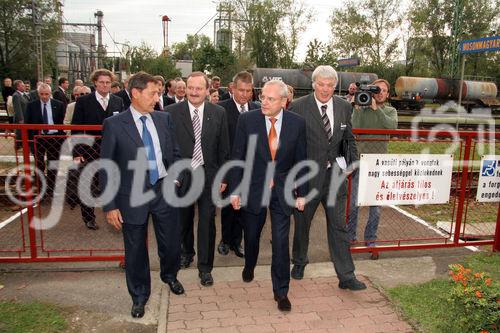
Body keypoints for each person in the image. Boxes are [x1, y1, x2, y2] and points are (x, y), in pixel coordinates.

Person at [100, 71, 185, 319]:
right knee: (135, 249)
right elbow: (107, 166)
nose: (157, 98)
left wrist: (176, 180)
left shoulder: (163, 119)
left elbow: (175, 154)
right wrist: (110, 205)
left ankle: (170, 276)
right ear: (135, 93)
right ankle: (139, 296)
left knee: (171, 244)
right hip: (131, 195)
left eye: (159, 93)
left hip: (163, 190)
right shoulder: (114, 125)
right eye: (152, 93)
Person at [229, 79, 307, 312]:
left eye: (270, 98)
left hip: (283, 190)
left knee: (281, 242)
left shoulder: (297, 124)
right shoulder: (247, 120)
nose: (263, 102)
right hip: (253, 188)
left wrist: (302, 193)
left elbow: (302, 160)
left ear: (284, 101)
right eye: (262, 96)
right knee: (251, 236)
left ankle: (281, 292)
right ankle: (249, 264)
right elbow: (238, 157)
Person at [289, 65, 366, 291]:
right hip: (307, 178)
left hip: (335, 177)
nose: (325, 89)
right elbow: (291, 144)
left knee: (338, 227)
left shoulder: (343, 107)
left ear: (335, 86)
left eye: (330, 85)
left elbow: (348, 138)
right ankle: (300, 261)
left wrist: (352, 162)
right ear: (313, 84)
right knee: (302, 224)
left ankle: (346, 275)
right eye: (321, 84)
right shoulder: (298, 107)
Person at [167, 71, 230, 287]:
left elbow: (224, 148)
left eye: (199, 88)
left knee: (207, 222)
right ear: (184, 88)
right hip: (182, 177)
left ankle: (205, 268)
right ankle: (187, 253)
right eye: (190, 88)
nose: (194, 92)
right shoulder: (170, 112)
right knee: (183, 221)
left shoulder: (219, 112)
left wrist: (223, 176)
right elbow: (167, 149)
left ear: (207, 90)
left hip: (209, 176)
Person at [348, 78, 398, 260]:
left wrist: (377, 110)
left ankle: (370, 239)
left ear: (388, 94)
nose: (380, 93)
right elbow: (355, 127)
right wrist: (358, 108)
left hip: (379, 162)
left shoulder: (390, 110)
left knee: (375, 207)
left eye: (383, 90)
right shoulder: (362, 105)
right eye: (377, 90)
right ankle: (350, 237)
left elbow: (391, 127)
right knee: (353, 203)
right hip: (360, 161)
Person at [71, 68, 124, 230]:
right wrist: (77, 153)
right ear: (95, 83)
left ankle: (118, 214)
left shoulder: (118, 101)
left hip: (113, 151)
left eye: (108, 82)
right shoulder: (83, 101)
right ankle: (89, 217)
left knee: (114, 183)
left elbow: (122, 126)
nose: (105, 85)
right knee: (89, 185)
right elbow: (76, 128)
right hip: (89, 150)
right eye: (101, 82)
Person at [217, 71, 259, 258]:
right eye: (241, 90)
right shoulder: (221, 109)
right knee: (228, 209)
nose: (244, 94)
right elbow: (217, 143)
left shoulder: (258, 109)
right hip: (229, 168)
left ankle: (237, 242)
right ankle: (225, 240)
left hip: (251, 170)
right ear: (233, 88)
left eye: (248, 91)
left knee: (245, 208)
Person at [25, 84, 65, 199]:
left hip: (54, 138)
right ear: (38, 94)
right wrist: (29, 142)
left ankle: (52, 190)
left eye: (46, 94)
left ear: (50, 93)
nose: (44, 96)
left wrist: (61, 138)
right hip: (38, 138)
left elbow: (62, 122)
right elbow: (27, 123)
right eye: (41, 94)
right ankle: (40, 190)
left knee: (53, 165)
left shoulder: (58, 104)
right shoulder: (32, 106)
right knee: (39, 165)